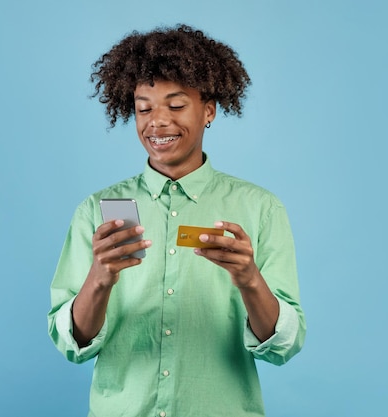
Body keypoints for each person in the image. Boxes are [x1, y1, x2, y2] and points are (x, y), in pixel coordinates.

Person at [48, 24, 306, 417]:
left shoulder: (260, 208)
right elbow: (72, 345)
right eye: (144, 107)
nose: (158, 122)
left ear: (209, 110)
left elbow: (284, 345)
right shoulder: (97, 210)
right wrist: (99, 278)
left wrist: (249, 279)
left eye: (176, 104)